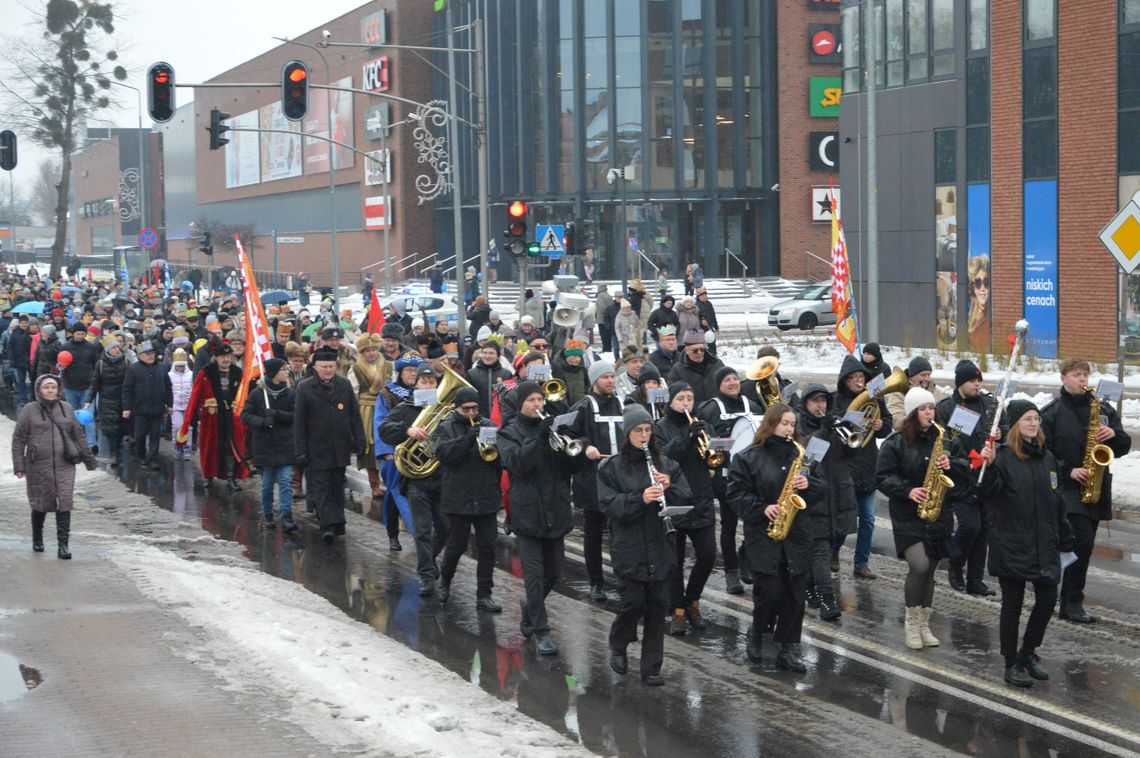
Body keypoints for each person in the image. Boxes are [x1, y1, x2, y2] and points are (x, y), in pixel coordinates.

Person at [977, 399, 1075, 687]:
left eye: (1036, 419)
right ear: (1016, 425)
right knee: (1013, 605)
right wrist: (988, 466)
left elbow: (1057, 502)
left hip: (1044, 542)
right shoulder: (1004, 457)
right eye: (1027, 419)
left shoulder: (1048, 459)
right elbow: (984, 492)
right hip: (1012, 544)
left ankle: (1028, 652)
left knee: (1047, 600)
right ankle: (1010, 663)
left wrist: (1066, 535)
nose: (1034, 423)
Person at [598, 403, 693, 686]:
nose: (643, 436)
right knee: (633, 603)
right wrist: (640, 498)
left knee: (657, 606)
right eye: (638, 430)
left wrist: (669, 488)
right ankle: (619, 641)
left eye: (648, 430)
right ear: (627, 434)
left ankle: (651, 667)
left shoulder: (666, 464)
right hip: (629, 547)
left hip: (661, 544)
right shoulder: (611, 467)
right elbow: (610, 506)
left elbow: (687, 497)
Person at [727, 403, 823, 673]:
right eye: (784, 424)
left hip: (797, 534)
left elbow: (821, 489)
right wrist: (762, 508)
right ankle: (756, 633)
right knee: (768, 593)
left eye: (792, 424)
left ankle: (787, 649)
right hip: (764, 535)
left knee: (794, 596)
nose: (789, 429)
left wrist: (810, 485)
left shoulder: (801, 456)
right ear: (771, 425)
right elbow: (735, 494)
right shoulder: (748, 457)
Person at [876, 387, 969, 650]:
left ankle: (924, 624)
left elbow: (964, 469)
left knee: (930, 571)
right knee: (919, 565)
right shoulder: (896, 442)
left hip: (938, 512)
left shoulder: (945, 438)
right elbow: (881, 477)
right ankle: (910, 623)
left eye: (931, 408)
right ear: (912, 413)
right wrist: (908, 490)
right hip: (908, 515)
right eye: (922, 409)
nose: (929, 412)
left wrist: (954, 465)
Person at [1040, 358, 1131, 624]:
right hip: (1066, 487)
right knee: (1082, 541)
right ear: (1063, 379)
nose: (1082, 380)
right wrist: (1068, 470)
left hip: (1096, 484)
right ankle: (1072, 600)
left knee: (1083, 545)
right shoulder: (1052, 412)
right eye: (1077, 375)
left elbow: (1123, 445)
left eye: (1085, 375)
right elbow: (1043, 453)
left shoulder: (1103, 409)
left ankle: (1067, 599)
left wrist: (1112, 435)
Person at [498, 381, 586, 654]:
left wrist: (576, 446)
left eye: (540, 399)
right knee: (534, 576)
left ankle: (530, 609)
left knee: (554, 571)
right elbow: (517, 465)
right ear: (520, 404)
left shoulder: (554, 430)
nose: (537, 405)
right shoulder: (508, 432)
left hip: (556, 507)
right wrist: (540, 438)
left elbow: (572, 465)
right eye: (532, 400)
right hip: (527, 511)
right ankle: (542, 631)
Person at [379, 364, 450, 596]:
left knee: (446, 528)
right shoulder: (406, 407)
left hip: (441, 476)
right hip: (416, 479)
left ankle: (428, 560)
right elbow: (385, 430)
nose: (428, 386)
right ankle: (427, 576)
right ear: (416, 385)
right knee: (421, 529)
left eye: (432, 382)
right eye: (424, 382)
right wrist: (408, 430)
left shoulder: (445, 408)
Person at [935, 359, 1004, 596]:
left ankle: (975, 579)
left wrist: (1000, 432)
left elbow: (1004, 427)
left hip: (985, 473)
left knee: (984, 529)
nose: (977, 385)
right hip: (960, 474)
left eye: (979, 380)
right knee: (969, 526)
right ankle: (955, 563)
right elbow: (941, 441)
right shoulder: (946, 407)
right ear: (960, 383)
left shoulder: (989, 404)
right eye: (972, 381)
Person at [433, 386, 504, 612]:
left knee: (487, 547)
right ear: (457, 408)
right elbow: (445, 457)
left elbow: (499, 461)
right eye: (467, 409)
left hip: (485, 495)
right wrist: (466, 440)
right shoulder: (445, 427)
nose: (472, 413)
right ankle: (445, 581)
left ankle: (484, 594)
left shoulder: (488, 426)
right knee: (457, 544)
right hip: (458, 496)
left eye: (475, 408)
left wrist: (494, 449)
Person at [654, 382, 717, 636]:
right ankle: (678, 609)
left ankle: (693, 599)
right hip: (674, 498)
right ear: (670, 401)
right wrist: (685, 438)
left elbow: (716, 455)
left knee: (708, 554)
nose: (686, 403)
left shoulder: (702, 423)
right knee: (674, 562)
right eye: (681, 398)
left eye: (690, 398)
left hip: (701, 496)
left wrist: (711, 441)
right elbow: (663, 459)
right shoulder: (660, 428)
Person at [12, 374, 97, 559]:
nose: (50, 390)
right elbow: (18, 439)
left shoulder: (66, 408)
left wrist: (89, 460)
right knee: (40, 503)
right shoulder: (29, 410)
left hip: (65, 464)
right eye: (46, 387)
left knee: (64, 502)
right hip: (37, 465)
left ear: (58, 389)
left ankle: (63, 545)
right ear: (39, 390)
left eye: (53, 387)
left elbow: (78, 436)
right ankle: (37, 538)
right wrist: (19, 465)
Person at [697, 365, 763, 594]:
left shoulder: (751, 405)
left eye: (735, 378)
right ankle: (731, 572)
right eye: (727, 380)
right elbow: (705, 441)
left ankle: (747, 557)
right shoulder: (710, 409)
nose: (733, 383)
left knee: (755, 522)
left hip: (752, 476)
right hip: (726, 477)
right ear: (719, 385)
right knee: (729, 525)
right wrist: (725, 442)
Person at [565, 360, 624, 601]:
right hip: (592, 480)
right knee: (594, 533)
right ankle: (596, 581)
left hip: (621, 478)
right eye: (604, 377)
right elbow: (568, 435)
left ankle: (623, 577)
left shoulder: (623, 403)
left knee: (621, 532)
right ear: (594, 381)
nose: (610, 381)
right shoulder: (584, 407)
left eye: (612, 376)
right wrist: (586, 446)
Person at [294, 346, 365, 544]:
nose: (328, 370)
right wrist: (300, 451)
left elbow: (354, 415)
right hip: (315, 448)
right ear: (315, 367)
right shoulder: (304, 387)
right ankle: (328, 526)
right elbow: (299, 422)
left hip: (339, 446)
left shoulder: (344, 385)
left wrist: (360, 440)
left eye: (331, 366)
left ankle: (337, 523)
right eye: (324, 367)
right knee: (321, 488)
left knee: (336, 486)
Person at [796, 383, 854, 621]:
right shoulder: (798, 425)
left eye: (823, 401)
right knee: (820, 552)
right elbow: (808, 457)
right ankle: (828, 600)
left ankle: (810, 585)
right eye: (815, 401)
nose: (820, 406)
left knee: (829, 545)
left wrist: (848, 429)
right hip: (814, 496)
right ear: (806, 404)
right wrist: (823, 431)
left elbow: (853, 452)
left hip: (838, 492)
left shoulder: (834, 423)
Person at [831, 355, 892, 579]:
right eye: (854, 378)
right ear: (844, 380)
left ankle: (861, 563)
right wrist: (849, 421)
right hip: (846, 467)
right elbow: (834, 432)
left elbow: (887, 425)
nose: (858, 381)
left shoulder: (874, 399)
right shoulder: (836, 401)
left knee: (867, 519)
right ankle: (834, 551)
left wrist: (881, 424)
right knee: (844, 520)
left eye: (861, 377)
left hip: (868, 466)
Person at [178, 343, 248, 489]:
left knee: (230, 447)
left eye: (228, 356)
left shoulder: (237, 372)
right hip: (212, 418)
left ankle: (230, 478)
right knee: (211, 447)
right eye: (223, 356)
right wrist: (187, 422)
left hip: (231, 417)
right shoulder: (206, 373)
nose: (226, 359)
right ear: (215, 358)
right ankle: (209, 476)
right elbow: (195, 397)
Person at [241, 358, 297, 532]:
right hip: (264, 447)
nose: (286, 372)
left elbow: (295, 415)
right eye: (282, 369)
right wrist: (262, 421)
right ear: (273, 373)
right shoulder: (258, 394)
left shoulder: (290, 394)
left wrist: (277, 414)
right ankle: (268, 514)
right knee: (266, 485)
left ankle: (286, 516)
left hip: (284, 445)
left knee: (286, 482)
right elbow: (246, 415)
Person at [374, 353, 421, 550]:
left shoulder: (427, 392)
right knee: (397, 492)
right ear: (400, 373)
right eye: (408, 371)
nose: (412, 374)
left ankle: (395, 533)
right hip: (394, 452)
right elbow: (380, 421)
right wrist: (385, 451)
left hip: (418, 452)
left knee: (397, 496)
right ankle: (414, 534)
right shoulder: (388, 393)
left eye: (416, 371)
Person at [350, 333, 390, 501]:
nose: (371, 353)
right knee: (370, 445)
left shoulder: (389, 366)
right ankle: (374, 484)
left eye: (374, 349)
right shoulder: (356, 369)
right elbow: (353, 392)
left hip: (386, 407)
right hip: (366, 410)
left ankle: (389, 481)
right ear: (362, 352)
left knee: (388, 442)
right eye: (367, 351)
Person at [122, 341, 173, 471]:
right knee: (140, 435)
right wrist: (127, 407)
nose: (151, 356)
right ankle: (141, 455)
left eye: (152, 353)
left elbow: (168, 387)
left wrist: (170, 404)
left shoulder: (162, 367)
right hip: (140, 409)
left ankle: (153, 459)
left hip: (157, 408)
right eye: (147, 354)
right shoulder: (133, 369)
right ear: (140, 356)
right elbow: (127, 389)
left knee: (155, 435)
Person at [85, 336, 130, 467]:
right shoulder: (101, 364)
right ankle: (114, 454)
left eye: (117, 347)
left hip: (122, 400)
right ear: (107, 350)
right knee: (110, 430)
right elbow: (94, 384)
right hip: (106, 401)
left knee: (121, 428)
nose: (116, 349)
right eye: (113, 347)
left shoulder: (126, 362)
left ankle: (118, 450)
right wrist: (89, 400)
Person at [886, 356, 946, 432]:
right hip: (909, 438)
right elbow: (896, 421)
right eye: (923, 375)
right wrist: (919, 420)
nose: (927, 378)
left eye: (929, 375)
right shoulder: (898, 393)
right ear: (912, 375)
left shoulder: (936, 390)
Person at [667, 330, 721, 405]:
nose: (699, 353)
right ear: (687, 351)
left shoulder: (717, 364)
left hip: (717, 410)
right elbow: (672, 395)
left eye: (702, 350)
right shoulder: (677, 370)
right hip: (693, 412)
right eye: (695, 350)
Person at [167, 347, 194, 461]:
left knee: (188, 427)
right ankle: (178, 445)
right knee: (177, 426)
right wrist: (168, 405)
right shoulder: (169, 375)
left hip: (188, 405)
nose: (181, 368)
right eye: (178, 366)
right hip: (176, 406)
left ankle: (187, 447)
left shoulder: (191, 375)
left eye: (183, 366)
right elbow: (167, 390)